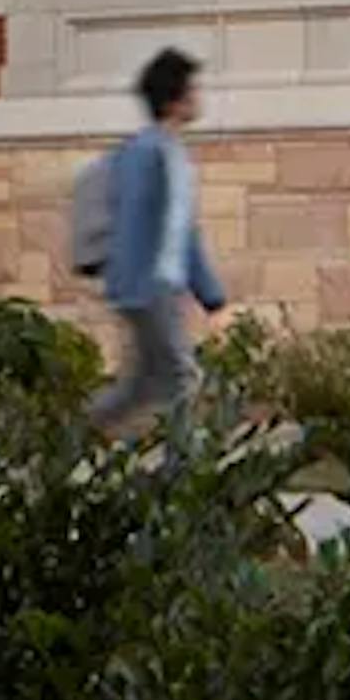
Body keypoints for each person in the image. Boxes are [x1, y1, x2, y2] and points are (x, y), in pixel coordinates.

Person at [83, 44, 226, 431]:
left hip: (158, 286)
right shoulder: (147, 152)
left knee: (141, 386)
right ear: (175, 99)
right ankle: (182, 473)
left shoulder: (170, 151)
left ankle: (67, 440)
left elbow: (184, 233)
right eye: (192, 90)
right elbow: (132, 220)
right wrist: (137, 287)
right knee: (182, 378)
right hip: (147, 287)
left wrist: (209, 293)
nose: (198, 97)